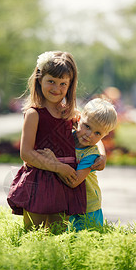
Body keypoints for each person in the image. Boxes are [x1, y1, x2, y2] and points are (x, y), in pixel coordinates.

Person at [7, 51, 106, 230]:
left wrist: (103, 154)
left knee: (59, 234)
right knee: (34, 233)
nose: (56, 88)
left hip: (65, 184)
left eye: (63, 84)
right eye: (51, 81)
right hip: (39, 180)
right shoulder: (34, 114)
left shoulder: (71, 114)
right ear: (39, 79)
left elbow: (93, 136)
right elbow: (26, 153)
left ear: (70, 85)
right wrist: (57, 167)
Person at [40, 97, 117, 231]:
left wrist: (53, 163)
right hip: (67, 204)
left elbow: (74, 181)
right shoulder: (67, 136)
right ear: (79, 119)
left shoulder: (91, 155)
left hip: (87, 208)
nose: (89, 134)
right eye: (87, 126)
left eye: (97, 133)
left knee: (85, 242)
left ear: (104, 135)